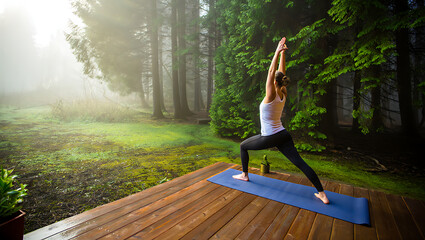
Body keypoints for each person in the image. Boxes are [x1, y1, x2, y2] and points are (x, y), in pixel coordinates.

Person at [232, 37, 329, 204]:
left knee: (243, 146)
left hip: (270, 136)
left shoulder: (271, 95)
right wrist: (283, 53)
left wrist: (277, 51)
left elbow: (272, 72)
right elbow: (280, 72)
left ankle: (245, 175)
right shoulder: (283, 92)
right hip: (283, 135)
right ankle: (322, 193)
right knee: (300, 163)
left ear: (273, 82)